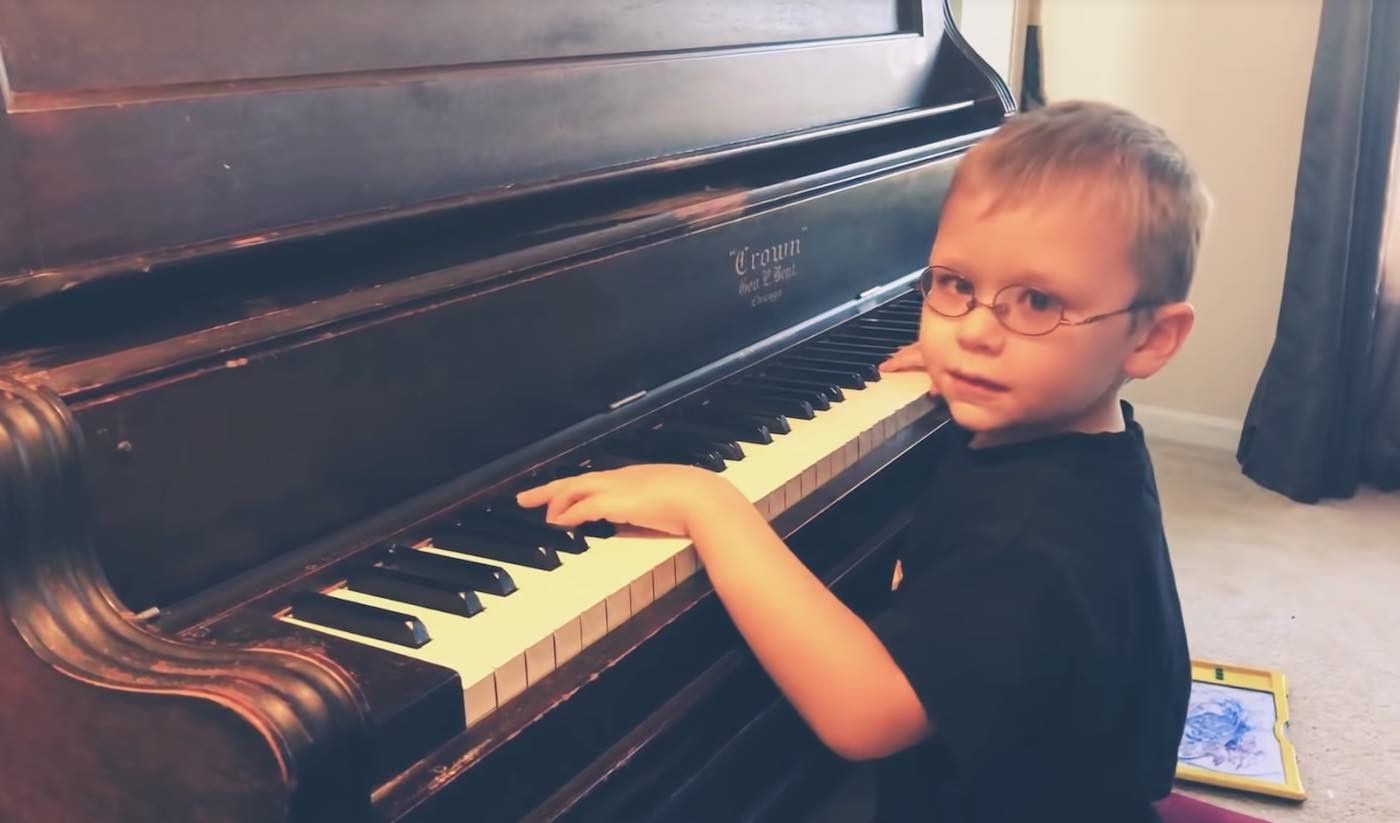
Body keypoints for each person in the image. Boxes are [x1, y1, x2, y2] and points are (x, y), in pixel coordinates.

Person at [518, 99, 1208, 822]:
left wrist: (711, 504)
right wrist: (960, 373)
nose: (973, 331)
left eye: (1035, 301)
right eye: (954, 285)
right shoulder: (1083, 443)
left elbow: (862, 712)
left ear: (1150, 340)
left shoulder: (1036, 541)